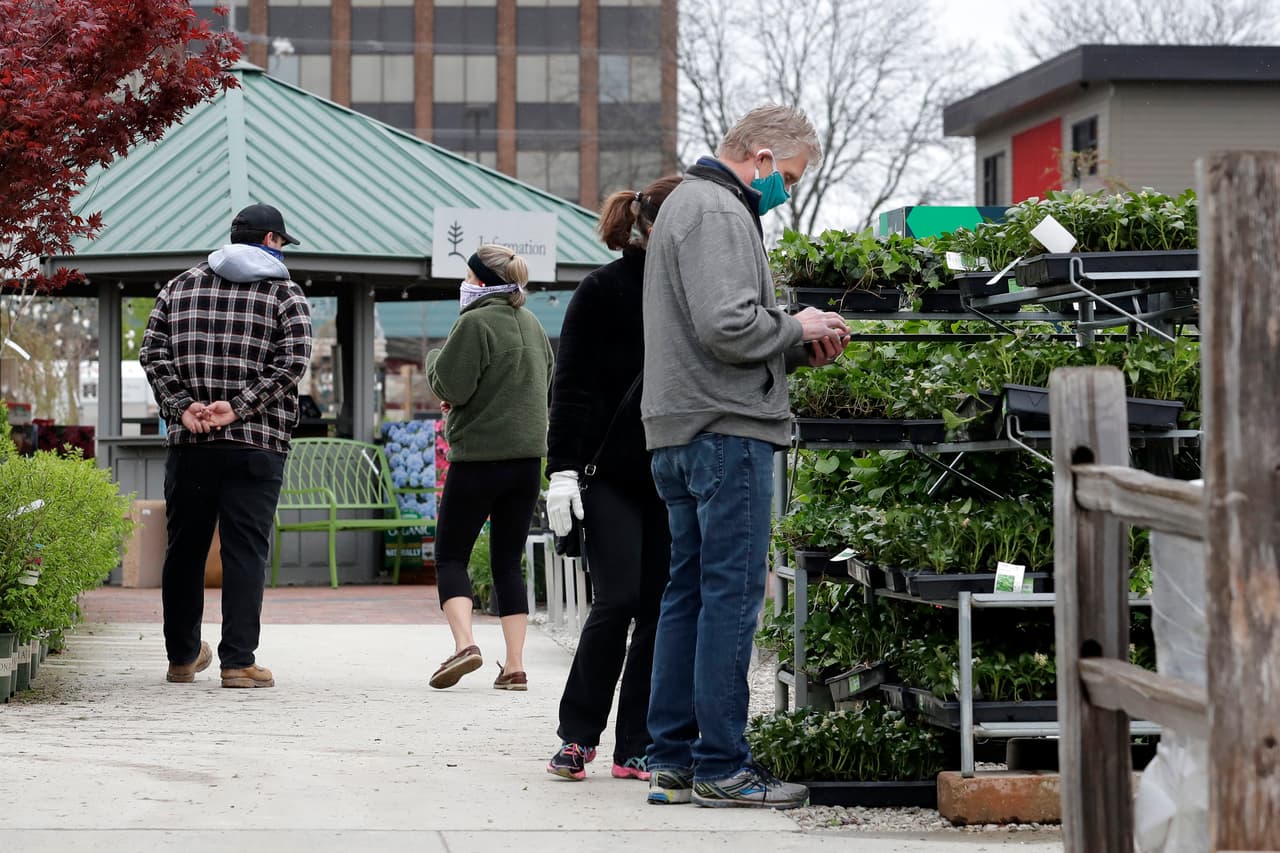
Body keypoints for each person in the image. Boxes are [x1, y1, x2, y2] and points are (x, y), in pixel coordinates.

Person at [640, 105, 849, 808]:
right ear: (759, 157)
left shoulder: (681, 207)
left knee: (689, 592)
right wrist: (800, 322)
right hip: (726, 432)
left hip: (680, 428)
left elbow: (714, 327)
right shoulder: (720, 212)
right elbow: (727, 324)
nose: (784, 188)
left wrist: (791, 343)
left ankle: (670, 756)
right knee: (731, 597)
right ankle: (723, 765)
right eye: (785, 175)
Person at [140, 203, 313, 689]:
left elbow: (151, 354)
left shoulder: (179, 287)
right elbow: (293, 362)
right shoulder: (284, 293)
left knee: (185, 551)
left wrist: (183, 407)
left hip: (190, 445)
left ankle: (181, 657)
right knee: (244, 553)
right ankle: (238, 661)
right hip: (258, 444)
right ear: (272, 242)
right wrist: (239, 407)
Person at [544, 176, 681, 782]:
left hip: (675, 471)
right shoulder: (601, 289)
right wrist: (561, 472)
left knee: (659, 607)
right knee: (619, 599)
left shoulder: (690, 290)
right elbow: (569, 385)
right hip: (607, 474)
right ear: (650, 225)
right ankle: (578, 735)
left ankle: (637, 744)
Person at [425, 244, 553, 691]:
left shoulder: (474, 321)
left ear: (480, 280)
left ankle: (465, 645)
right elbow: (539, 380)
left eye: (467, 275)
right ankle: (515, 665)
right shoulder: (533, 324)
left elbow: (451, 384)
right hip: (526, 462)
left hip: (478, 459)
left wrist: (433, 364)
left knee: (451, 554)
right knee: (507, 562)